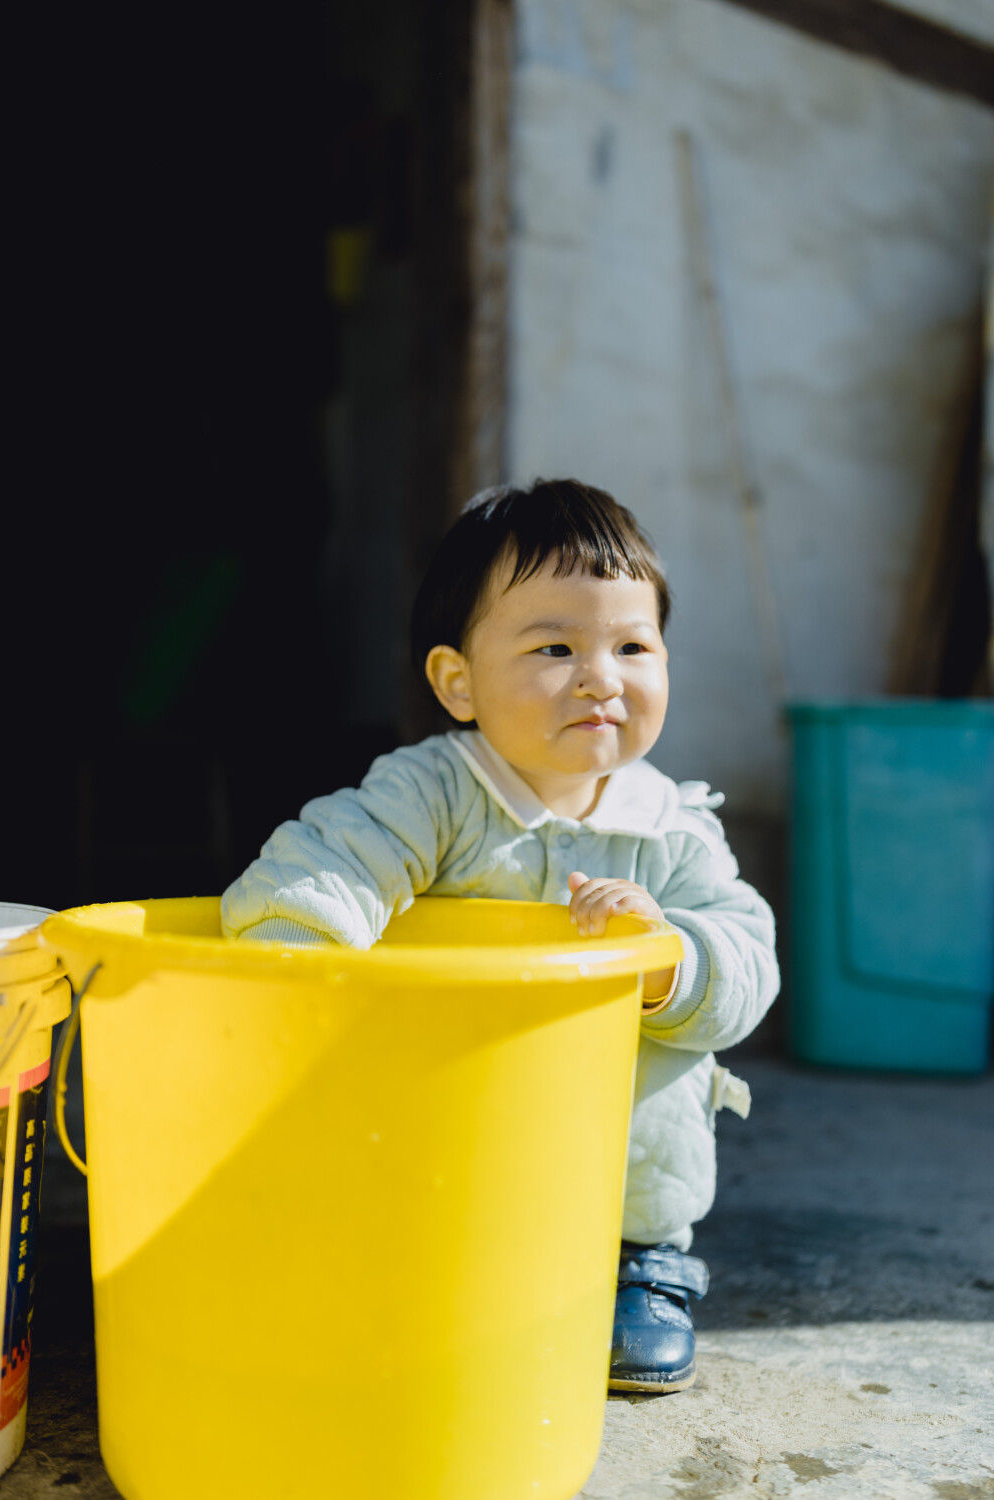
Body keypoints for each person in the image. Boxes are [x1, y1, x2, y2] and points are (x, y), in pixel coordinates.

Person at [222, 478, 779, 1392]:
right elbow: (333, 860)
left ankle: (642, 1269)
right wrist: (297, 968)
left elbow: (749, 961)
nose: (603, 676)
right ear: (458, 681)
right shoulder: (432, 791)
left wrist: (669, 957)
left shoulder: (672, 827)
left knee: (652, 1121)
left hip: (616, 1158)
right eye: (557, 646)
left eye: (633, 646)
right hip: (453, 1119)